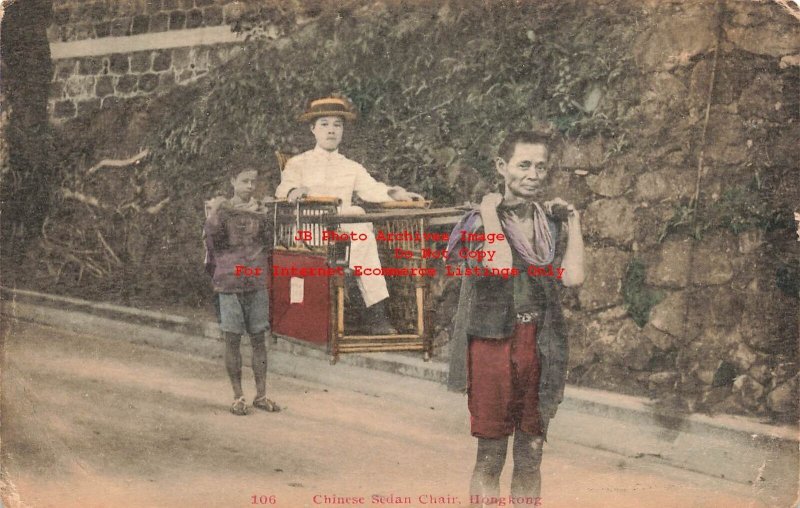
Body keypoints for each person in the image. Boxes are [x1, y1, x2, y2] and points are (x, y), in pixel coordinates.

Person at [446, 131, 585, 506]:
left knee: (532, 454)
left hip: (539, 344)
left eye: (541, 166)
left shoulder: (550, 223)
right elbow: (501, 264)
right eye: (524, 165)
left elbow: (572, 277)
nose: (533, 174)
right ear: (502, 167)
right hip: (493, 344)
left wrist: (574, 221)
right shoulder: (478, 223)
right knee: (491, 456)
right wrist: (491, 211)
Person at [275, 95, 424, 334]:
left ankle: (374, 314)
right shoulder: (298, 163)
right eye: (324, 124)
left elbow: (372, 188)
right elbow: (283, 190)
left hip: (346, 233)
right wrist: (295, 190)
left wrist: (395, 193)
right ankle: (372, 312)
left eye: (338, 125)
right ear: (313, 129)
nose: (331, 130)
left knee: (361, 232)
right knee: (361, 235)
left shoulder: (350, 166)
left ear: (343, 131)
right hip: (310, 231)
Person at [205, 165, 280, 416]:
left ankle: (261, 395)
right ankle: (238, 397)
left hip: (256, 281)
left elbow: (269, 243)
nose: (250, 186)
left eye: (253, 181)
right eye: (245, 181)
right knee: (232, 339)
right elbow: (212, 243)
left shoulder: (262, 212)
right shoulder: (222, 211)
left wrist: (269, 214)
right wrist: (215, 212)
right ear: (232, 180)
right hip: (229, 281)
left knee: (259, 338)